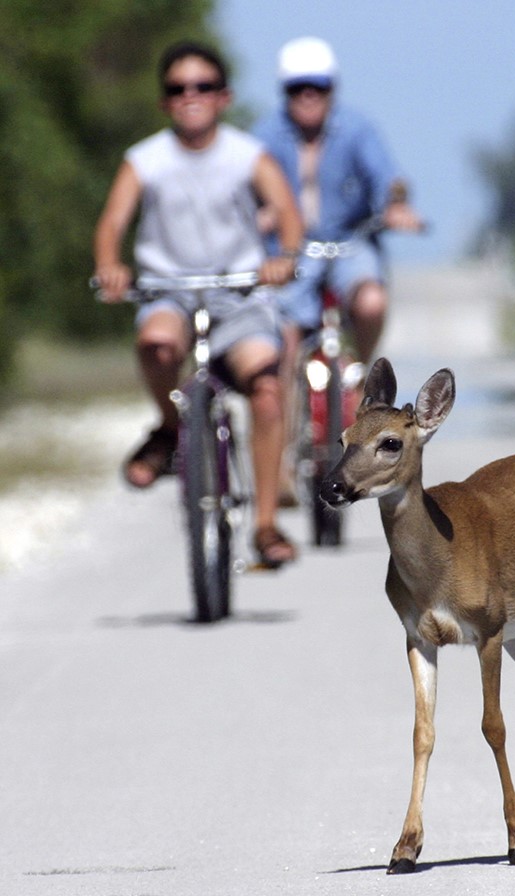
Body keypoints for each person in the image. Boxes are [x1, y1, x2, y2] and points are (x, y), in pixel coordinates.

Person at [93, 40, 303, 567]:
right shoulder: (144, 160)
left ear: (223, 96)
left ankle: (265, 524)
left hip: (239, 294)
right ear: (164, 100)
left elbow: (286, 209)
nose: (191, 97)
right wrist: (111, 265)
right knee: (157, 344)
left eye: (203, 87)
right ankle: (170, 428)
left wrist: (286, 256)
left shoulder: (246, 155)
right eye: (178, 89)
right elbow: (114, 221)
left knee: (268, 389)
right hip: (169, 289)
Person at [254, 37, 423, 501]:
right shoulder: (265, 136)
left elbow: (389, 178)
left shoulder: (357, 129)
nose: (308, 95)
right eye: (297, 88)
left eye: (318, 86)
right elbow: (244, 188)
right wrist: (257, 215)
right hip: (293, 254)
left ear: (332, 89)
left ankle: (361, 380)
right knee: (281, 341)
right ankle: (285, 458)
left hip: (350, 242)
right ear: (284, 92)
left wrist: (397, 206)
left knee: (371, 300)